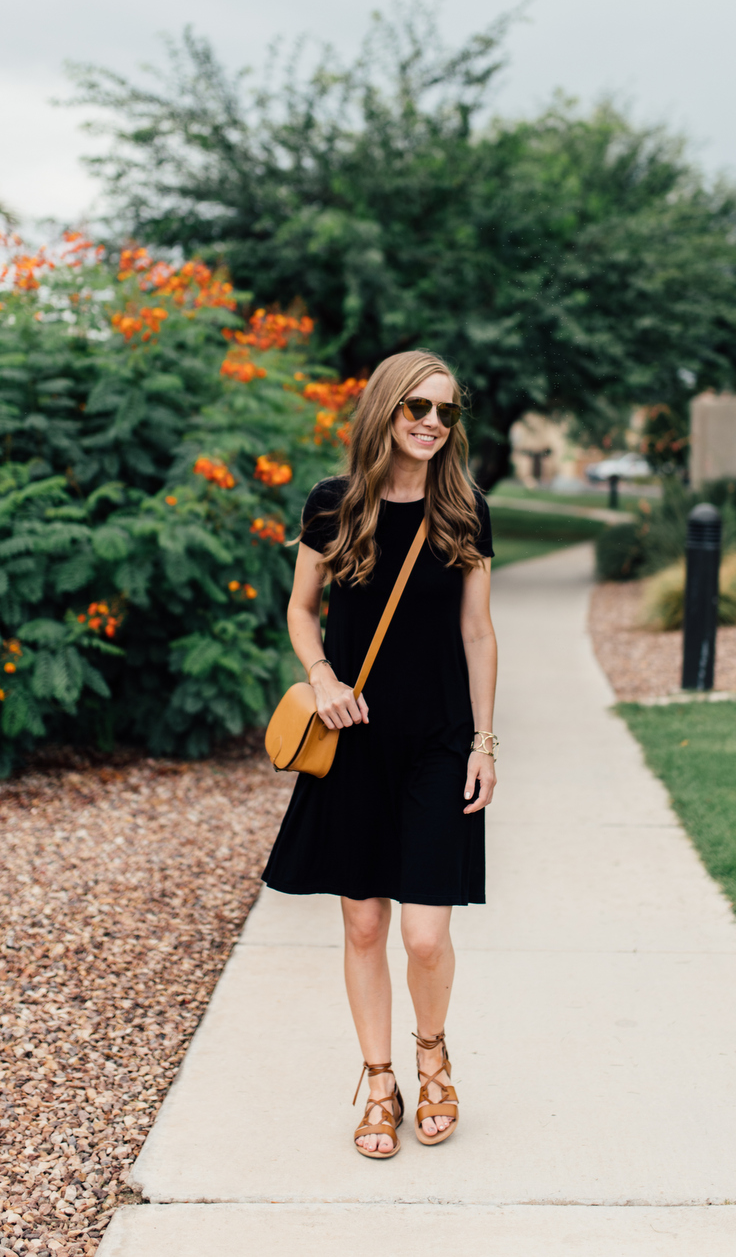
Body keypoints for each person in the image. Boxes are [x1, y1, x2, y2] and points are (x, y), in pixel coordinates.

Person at [263, 349, 498, 1159]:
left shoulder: (464, 509)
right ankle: (379, 1081)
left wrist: (484, 742)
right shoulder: (334, 505)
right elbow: (301, 610)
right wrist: (322, 677)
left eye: (446, 411)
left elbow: (476, 631)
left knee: (424, 936)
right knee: (363, 926)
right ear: (385, 411)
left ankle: (432, 1054)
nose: (433, 423)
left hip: (438, 742)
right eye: (417, 408)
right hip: (354, 742)